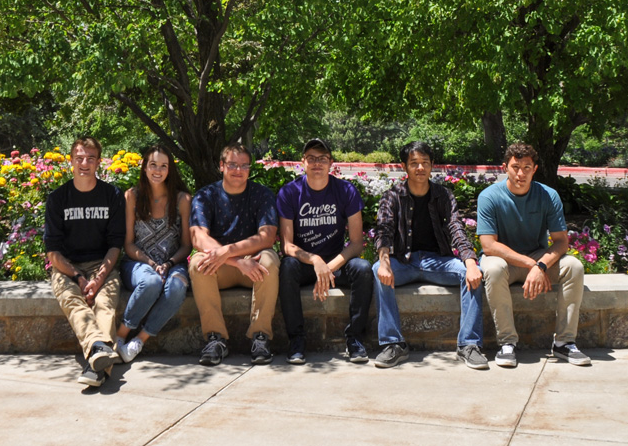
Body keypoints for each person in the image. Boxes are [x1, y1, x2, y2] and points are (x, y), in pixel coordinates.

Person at [371, 141, 486, 369]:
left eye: (425, 162)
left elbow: (456, 228)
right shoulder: (392, 196)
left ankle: (469, 344)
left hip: (438, 262)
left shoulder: (443, 195)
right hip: (404, 261)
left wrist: (471, 262)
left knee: (472, 273)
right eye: (414, 163)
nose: (420, 168)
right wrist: (384, 262)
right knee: (377, 270)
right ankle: (393, 344)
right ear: (404, 167)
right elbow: (384, 231)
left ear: (432, 165)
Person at [477, 142, 590, 367]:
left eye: (526, 168)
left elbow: (561, 242)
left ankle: (564, 342)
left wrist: (541, 266)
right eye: (515, 167)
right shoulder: (489, 196)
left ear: (535, 169)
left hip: (537, 257)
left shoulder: (548, 195)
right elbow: (489, 245)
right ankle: (507, 343)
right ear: (504, 168)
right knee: (493, 269)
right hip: (504, 260)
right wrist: (532, 264)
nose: (521, 174)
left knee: (574, 267)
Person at [277, 139, 374, 365]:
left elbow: (357, 243)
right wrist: (315, 261)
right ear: (303, 162)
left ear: (331, 163)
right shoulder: (289, 192)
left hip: (335, 263)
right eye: (311, 158)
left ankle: (355, 339)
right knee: (287, 267)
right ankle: (297, 340)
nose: (317, 163)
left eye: (322, 158)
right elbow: (287, 246)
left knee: (363, 268)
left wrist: (328, 267)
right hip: (304, 263)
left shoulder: (346, 191)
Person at [44, 136, 126, 387]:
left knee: (105, 305)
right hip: (67, 267)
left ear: (98, 162)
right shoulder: (58, 198)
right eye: (79, 158)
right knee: (73, 302)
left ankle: (96, 364)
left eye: (90, 158)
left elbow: (115, 245)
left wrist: (99, 278)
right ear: (71, 161)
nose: (84, 163)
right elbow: (52, 252)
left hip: (102, 265)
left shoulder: (112, 195)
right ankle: (99, 351)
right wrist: (78, 277)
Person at [189, 144, 280, 366]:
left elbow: (267, 237)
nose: (238, 170)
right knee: (198, 264)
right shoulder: (205, 196)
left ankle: (260, 337)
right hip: (222, 266)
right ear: (221, 166)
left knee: (269, 260)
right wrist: (237, 262)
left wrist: (229, 251)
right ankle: (215, 339)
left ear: (249, 169)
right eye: (232, 164)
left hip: (254, 265)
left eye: (244, 165)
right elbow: (198, 238)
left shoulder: (262, 194)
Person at [115, 145, 192, 363]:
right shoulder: (132, 196)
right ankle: (119, 337)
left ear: (170, 170)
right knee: (151, 282)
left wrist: (168, 263)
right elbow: (128, 244)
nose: (158, 170)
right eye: (153, 165)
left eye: (163, 166)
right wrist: (149, 262)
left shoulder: (182, 200)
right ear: (145, 167)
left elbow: (186, 245)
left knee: (177, 287)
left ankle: (139, 340)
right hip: (137, 263)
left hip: (173, 263)